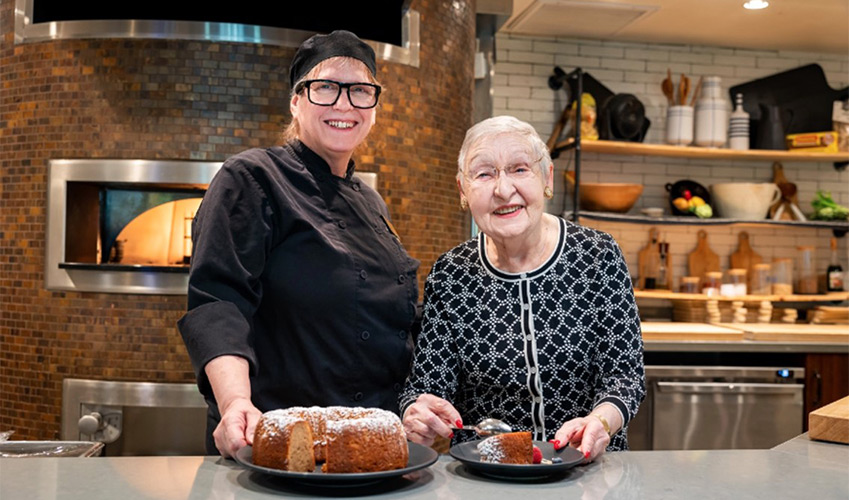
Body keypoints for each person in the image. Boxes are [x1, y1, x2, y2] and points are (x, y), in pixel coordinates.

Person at [178, 30, 420, 458]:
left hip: (367, 448)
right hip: (280, 446)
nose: (344, 104)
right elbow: (219, 301)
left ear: (374, 107)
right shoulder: (252, 178)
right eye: (325, 87)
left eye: (360, 91)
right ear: (296, 100)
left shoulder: (371, 201)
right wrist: (235, 401)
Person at [399, 115, 644, 462]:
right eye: (484, 174)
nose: (502, 190)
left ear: (547, 179)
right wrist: (416, 410)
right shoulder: (451, 273)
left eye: (519, 169)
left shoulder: (598, 256)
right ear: (463, 191)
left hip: (589, 472)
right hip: (488, 476)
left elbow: (625, 376)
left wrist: (600, 420)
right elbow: (429, 384)